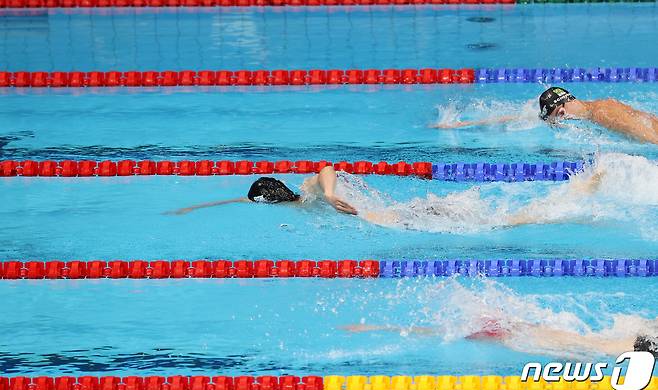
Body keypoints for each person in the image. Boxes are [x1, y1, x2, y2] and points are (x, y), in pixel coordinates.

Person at [168, 164, 605, 230]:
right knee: (490, 219)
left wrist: (336, 196)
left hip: (395, 218)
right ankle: (575, 196)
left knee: (497, 224)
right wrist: (200, 205)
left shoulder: (310, 194)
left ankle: (575, 199)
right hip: (399, 213)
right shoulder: (297, 198)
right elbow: (245, 200)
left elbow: (326, 169)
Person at [431, 87, 658, 144]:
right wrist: (462, 124)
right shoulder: (594, 109)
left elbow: (651, 137)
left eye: (555, 122)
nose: (558, 125)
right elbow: (520, 117)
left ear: (560, 111)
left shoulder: (602, 114)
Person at [341, 318, 658, 358]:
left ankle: (386, 328)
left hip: (611, 346)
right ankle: (386, 328)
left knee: (511, 332)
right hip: (620, 345)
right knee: (511, 332)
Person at [168, 165, 358, 215]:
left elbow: (327, 170)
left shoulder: (308, 193)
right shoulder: (293, 202)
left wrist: (329, 195)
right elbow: (237, 200)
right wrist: (193, 207)